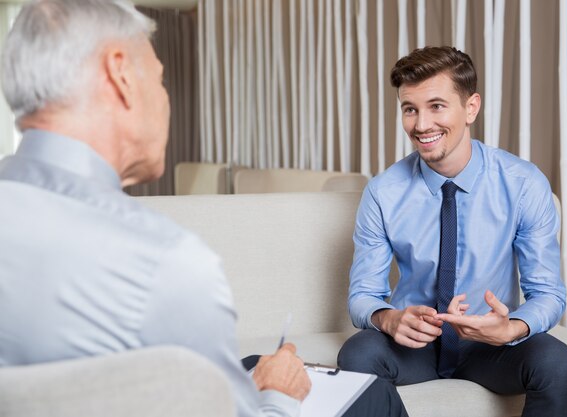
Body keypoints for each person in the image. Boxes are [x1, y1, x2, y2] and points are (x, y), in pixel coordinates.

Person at [0, 1, 406, 416]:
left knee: (249, 366)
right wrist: (277, 392)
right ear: (120, 73)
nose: (165, 101)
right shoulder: (164, 261)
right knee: (375, 398)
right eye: (160, 80)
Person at [337, 46, 567, 417]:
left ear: (471, 108)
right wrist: (389, 318)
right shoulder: (383, 192)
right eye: (410, 109)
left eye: (436, 106)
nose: (421, 125)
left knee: (559, 363)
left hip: (490, 346)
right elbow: (363, 295)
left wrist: (512, 328)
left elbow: (547, 293)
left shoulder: (522, 184)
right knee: (357, 354)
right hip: (416, 345)